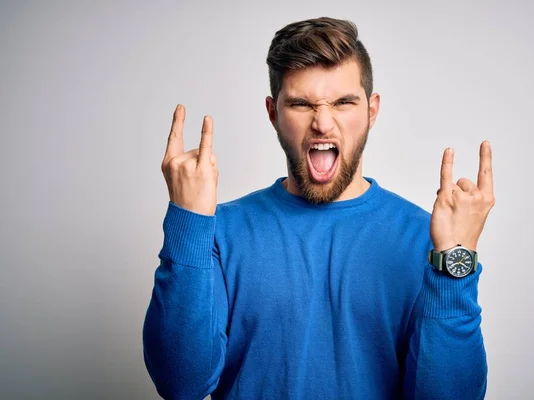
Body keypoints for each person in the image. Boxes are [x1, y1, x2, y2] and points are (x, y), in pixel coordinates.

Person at [143, 16, 495, 400]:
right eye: (300, 104)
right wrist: (188, 223)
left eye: (344, 102)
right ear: (273, 113)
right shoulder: (219, 231)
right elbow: (181, 384)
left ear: (371, 111)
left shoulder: (426, 239)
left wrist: (455, 266)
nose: (323, 123)